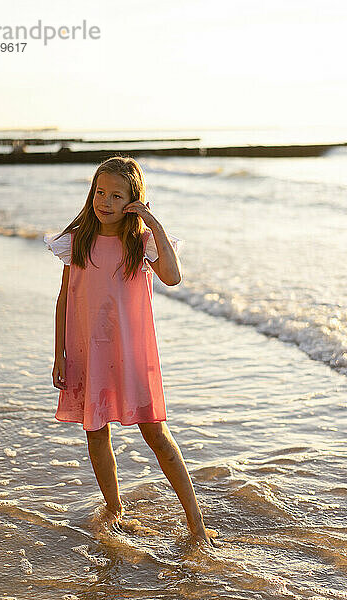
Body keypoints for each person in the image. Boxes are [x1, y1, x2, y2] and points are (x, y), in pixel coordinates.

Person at [44, 156, 217, 547]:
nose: (104, 201)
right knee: (95, 431)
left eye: (115, 195)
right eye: (99, 192)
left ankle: (196, 522)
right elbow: (63, 299)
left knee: (155, 433)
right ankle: (115, 509)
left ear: (133, 201)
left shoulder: (141, 241)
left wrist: (153, 224)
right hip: (87, 352)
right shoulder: (78, 239)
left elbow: (173, 277)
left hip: (131, 353)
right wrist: (60, 354)